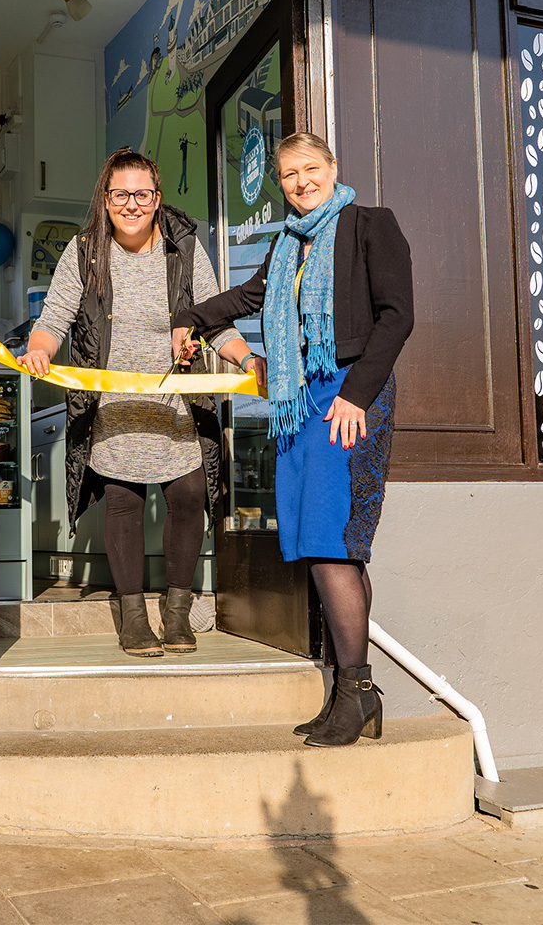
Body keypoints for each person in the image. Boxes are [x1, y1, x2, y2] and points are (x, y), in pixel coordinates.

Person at [173, 132, 413, 747]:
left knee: (333, 541)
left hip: (348, 392)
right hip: (299, 398)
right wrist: (190, 318)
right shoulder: (286, 245)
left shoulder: (370, 225)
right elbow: (247, 298)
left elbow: (397, 316)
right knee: (318, 543)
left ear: (333, 168)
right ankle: (352, 693)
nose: (301, 182)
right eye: (288, 174)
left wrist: (356, 395)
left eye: (310, 168)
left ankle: (355, 693)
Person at [17, 148, 250, 656]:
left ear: (157, 198)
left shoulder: (185, 248)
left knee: (189, 495)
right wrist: (39, 350)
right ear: (105, 199)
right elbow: (55, 318)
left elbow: (215, 320)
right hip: (114, 407)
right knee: (123, 502)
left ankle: (177, 612)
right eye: (120, 194)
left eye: (141, 194)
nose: (131, 204)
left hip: (176, 406)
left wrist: (247, 358)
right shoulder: (84, 251)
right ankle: (133, 617)